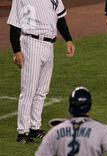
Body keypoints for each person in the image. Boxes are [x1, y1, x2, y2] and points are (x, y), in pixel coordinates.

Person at [7, 0, 75, 144]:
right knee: (29, 90)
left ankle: (34, 128)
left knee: (42, 90)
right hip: (31, 43)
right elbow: (14, 24)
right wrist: (16, 50)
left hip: (49, 45)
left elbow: (60, 18)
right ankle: (22, 132)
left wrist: (68, 39)